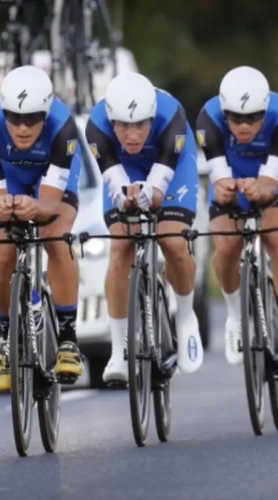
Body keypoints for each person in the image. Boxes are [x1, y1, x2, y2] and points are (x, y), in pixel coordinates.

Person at [0, 65, 85, 390]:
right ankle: (9, 339)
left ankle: (67, 339)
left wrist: (35, 207)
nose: (22, 128)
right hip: (10, 180)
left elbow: (48, 204)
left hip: (51, 178)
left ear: (46, 114)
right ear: (3, 112)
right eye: (14, 118)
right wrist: (4, 207)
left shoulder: (63, 127)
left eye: (33, 119)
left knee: (55, 236)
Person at [86, 72, 203, 386]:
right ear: (112, 122)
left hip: (172, 167)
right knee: (120, 245)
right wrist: (125, 197)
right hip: (125, 169)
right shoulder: (95, 126)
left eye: (141, 124)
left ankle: (186, 317)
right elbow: (114, 182)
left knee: (173, 241)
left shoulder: (171, 119)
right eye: (124, 126)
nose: (133, 134)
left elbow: (159, 190)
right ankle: (118, 349)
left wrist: (150, 194)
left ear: (152, 118)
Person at [195, 66, 278, 375]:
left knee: (276, 237)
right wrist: (226, 190)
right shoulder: (208, 118)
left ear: (265, 110)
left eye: (253, 118)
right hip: (232, 169)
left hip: (275, 171)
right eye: (236, 118)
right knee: (227, 247)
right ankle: (235, 316)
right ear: (224, 112)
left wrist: (262, 188)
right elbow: (219, 184)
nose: (244, 126)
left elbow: (270, 185)